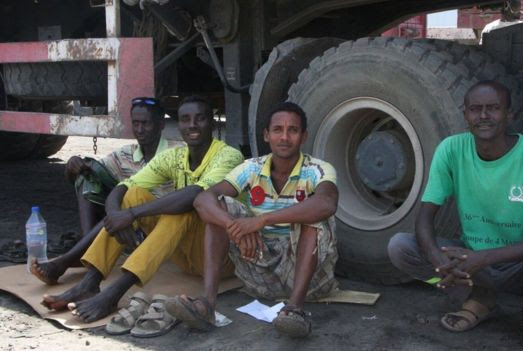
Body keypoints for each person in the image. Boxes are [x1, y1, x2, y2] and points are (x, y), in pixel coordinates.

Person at [387, 81, 523, 351]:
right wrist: (438, 260)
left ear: (509, 114)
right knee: (400, 247)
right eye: (476, 109)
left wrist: (485, 258)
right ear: (465, 115)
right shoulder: (451, 149)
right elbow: (424, 217)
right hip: (472, 258)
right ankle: (478, 298)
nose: (484, 116)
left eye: (493, 108)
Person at [40, 96, 244, 323]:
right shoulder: (175, 156)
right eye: (185, 119)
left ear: (213, 124)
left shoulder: (228, 155)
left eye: (200, 119)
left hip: (222, 258)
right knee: (134, 194)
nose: (192, 125)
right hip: (186, 257)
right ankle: (90, 282)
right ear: (179, 124)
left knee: (184, 208)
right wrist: (117, 217)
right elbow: (123, 187)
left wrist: (132, 215)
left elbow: (195, 195)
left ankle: (114, 293)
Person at [166, 102, 339, 338]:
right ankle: (207, 304)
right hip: (260, 275)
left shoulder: (319, 169)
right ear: (266, 135)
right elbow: (203, 199)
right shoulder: (251, 168)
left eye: (293, 130)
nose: (285, 137)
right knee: (220, 206)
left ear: (304, 136)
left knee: (315, 215)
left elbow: (327, 204)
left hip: (311, 282)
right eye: (277, 130)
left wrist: (261, 221)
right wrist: (233, 225)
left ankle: (295, 310)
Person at [31, 97, 177, 285]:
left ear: (161, 124)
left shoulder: (176, 152)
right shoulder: (126, 154)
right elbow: (90, 172)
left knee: (130, 198)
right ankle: (88, 246)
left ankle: (65, 261)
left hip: (162, 225)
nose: (140, 130)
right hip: (131, 224)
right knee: (87, 176)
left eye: (146, 123)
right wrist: (73, 165)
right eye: (136, 123)